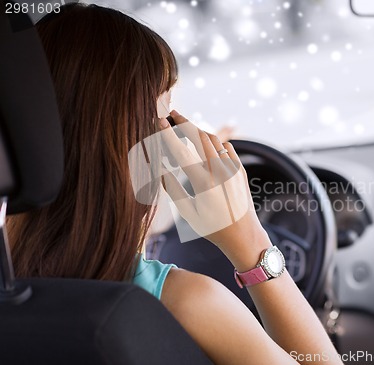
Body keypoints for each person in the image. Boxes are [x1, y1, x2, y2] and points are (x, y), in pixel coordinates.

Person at [7, 3, 342, 365]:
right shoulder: (186, 303)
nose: (178, 149)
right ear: (130, 146)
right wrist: (247, 236)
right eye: (166, 121)